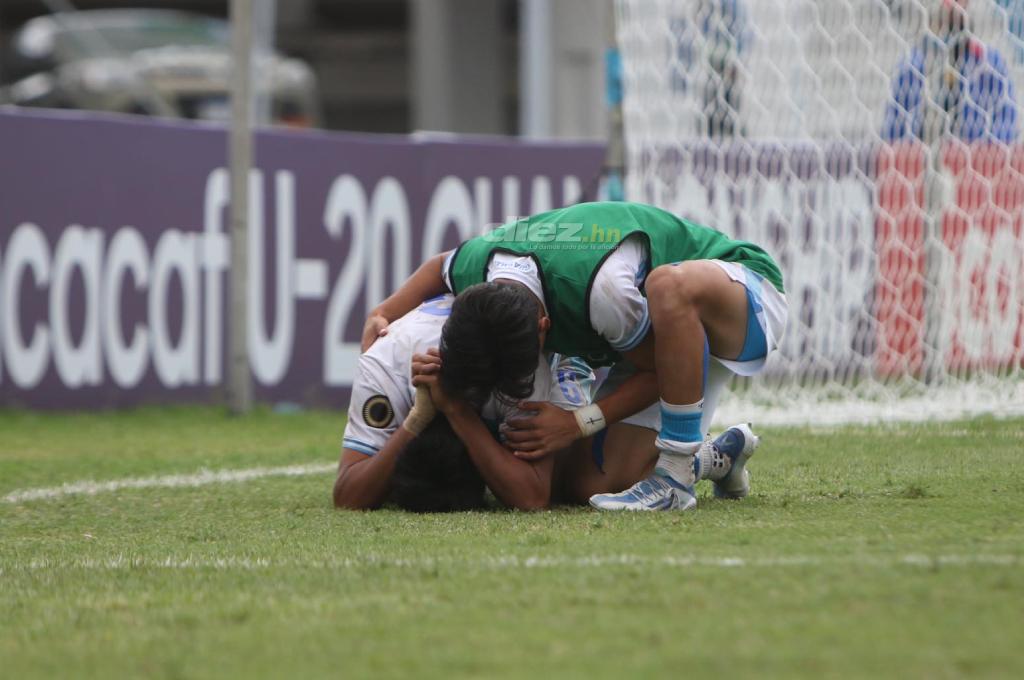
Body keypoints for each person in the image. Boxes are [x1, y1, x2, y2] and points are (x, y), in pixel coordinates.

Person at [362, 200, 787, 512]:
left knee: (666, 286)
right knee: (589, 482)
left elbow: (663, 367)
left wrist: (576, 422)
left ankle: (675, 476)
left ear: (544, 327)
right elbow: (439, 268)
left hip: (741, 296)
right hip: (667, 338)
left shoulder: (605, 293)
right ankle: (714, 457)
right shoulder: (479, 266)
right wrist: (383, 312)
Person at [333, 291, 593, 511]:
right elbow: (348, 495)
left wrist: (455, 410)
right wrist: (419, 417)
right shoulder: (386, 361)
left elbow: (533, 494)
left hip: (554, 360)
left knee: (577, 484)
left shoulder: (524, 365)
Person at [883, 0, 1018, 144]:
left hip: (975, 158)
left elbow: (1007, 129)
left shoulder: (989, 64)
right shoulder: (911, 66)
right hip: (922, 157)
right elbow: (893, 135)